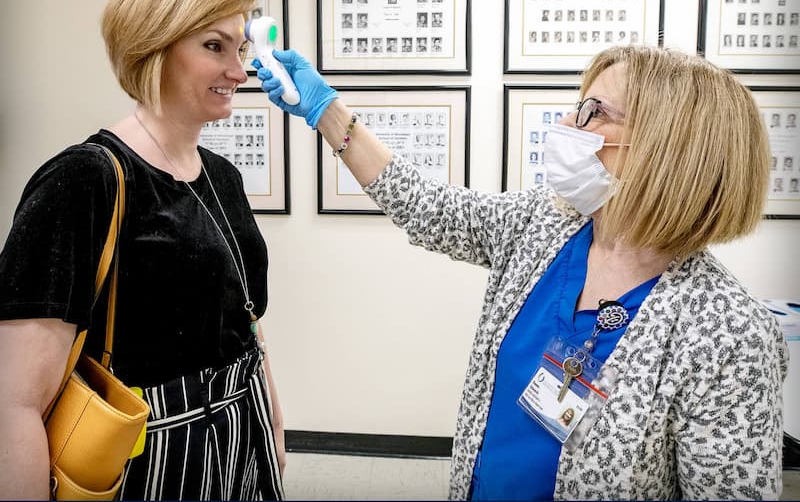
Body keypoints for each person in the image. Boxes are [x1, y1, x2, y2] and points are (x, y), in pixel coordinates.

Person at [253, 45, 787, 500]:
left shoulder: (729, 333)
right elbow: (425, 206)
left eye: (594, 111)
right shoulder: (544, 225)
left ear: (669, 149)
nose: (567, 124)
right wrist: (327, 111)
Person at [0, 0, 284, 500]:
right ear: (153, 46)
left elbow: (243, 318)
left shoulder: (221, 175)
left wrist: (269, 419)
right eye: (214, 46)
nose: (240, 72)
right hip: (147, 451)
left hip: (240, 433)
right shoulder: (83, 180)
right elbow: (14, 400)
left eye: (240, 48)